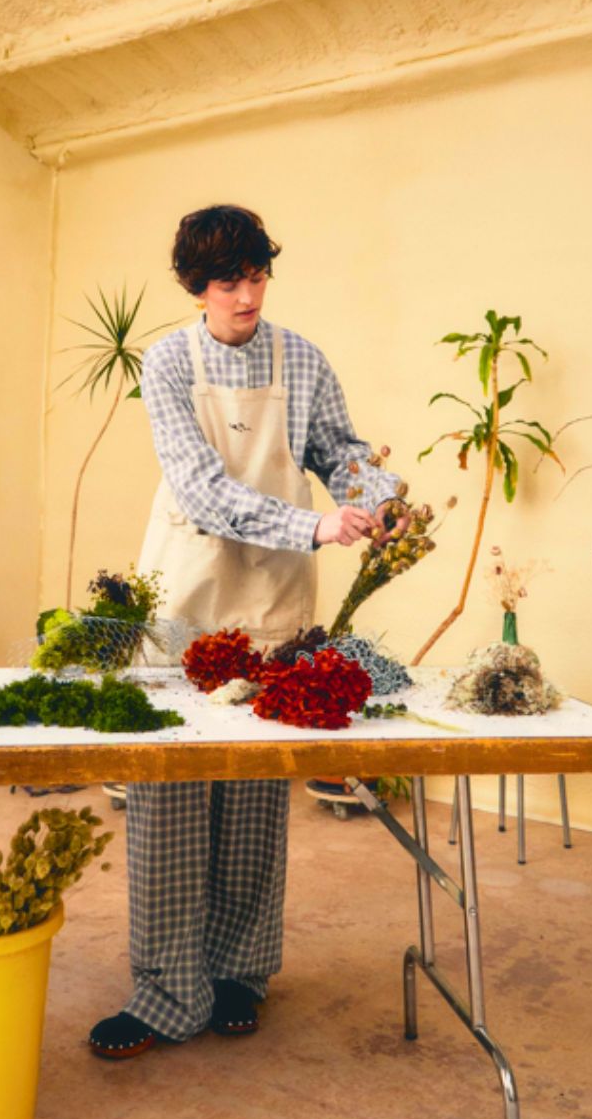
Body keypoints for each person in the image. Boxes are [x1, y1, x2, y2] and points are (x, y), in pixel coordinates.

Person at [88, 204, 404, 1059]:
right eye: (228, 281)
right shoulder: (165, 363)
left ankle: (237, 975)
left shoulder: (301, 358)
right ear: (197, 285)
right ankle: (164, 990)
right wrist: (317, 528)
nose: (246, 295)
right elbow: (198, 489)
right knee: (171, 796)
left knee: (256, 802)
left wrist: (374, 497)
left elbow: (342, 451)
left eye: (258, 275)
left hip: (272, 604)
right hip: (187, 598)